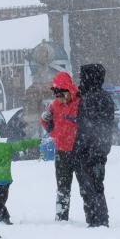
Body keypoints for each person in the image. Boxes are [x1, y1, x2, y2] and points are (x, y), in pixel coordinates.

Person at [74, 63, 115, 227]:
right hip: (101, 146)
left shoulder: (88, 99)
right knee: (97, 183)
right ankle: (99, 218)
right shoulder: (105, 98)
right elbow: (106, 124)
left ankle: (96, 219)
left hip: (89, 148)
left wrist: (80, 148)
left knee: (90, 186)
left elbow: (85, 127)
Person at [42, 72, 80, 221]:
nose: (60, 99)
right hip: (62, 151)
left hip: (78, 151)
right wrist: (46, 121)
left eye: (62, 95)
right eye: (57, 96)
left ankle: (92, 215)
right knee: (62, 188)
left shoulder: (79, 103)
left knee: (85, 187)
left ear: (69, 90)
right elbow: (49, 126)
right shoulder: (54, 106)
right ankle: (61, 216)